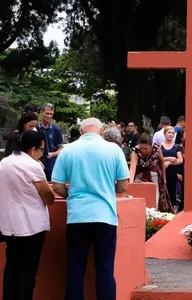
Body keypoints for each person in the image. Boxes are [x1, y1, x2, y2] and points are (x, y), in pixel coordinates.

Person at [51, 118, 130, 300]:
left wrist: (72, 195)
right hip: (105, 215)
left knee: (76, 268)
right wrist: (108, 190)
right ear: (101, 131)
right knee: (105, 268)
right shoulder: (113, 150)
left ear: (80, 132)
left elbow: (57, 186)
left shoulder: (68, 150)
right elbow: (124, 186)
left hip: (77, 215)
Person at [0, 130, 55, 300]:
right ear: (32, 149)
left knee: (11, 268)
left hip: (9, 225)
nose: (42, 154)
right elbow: (48, 197)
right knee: (27, 272)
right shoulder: (32, 166)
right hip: (31, 226)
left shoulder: (4, 162)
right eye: (41, 150)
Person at [129, 134, 173, 212]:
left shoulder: (156, 148)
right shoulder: (135, 151)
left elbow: (161, 160)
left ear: (151, 145)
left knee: (155, 199)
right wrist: (131, 183)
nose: (143, 150)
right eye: (141, 148)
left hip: (154, 174)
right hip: (140, 175)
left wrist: (164, 177)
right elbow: (132, 168)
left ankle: (154, 214)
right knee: (138, 197)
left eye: (146, 148)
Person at [36, 103, 64, 181]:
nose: (49, 116)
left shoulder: (56, 129)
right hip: (37, 163)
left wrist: (53, 154)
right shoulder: (36, 128)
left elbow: (60, 149)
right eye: (47, 113)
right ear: (42, 112)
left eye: (51, 114)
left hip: (52, 165)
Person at [161, 126, 183, 207]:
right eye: (169, 132)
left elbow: (180, 160)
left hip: (172, 173)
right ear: (164, 134)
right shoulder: (160, 146)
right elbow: (157, 159)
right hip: (162, 172)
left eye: (173, 133)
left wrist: (169, 163)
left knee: (172, 192)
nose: (171, 134)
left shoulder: (176, 147)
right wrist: (168, 159)